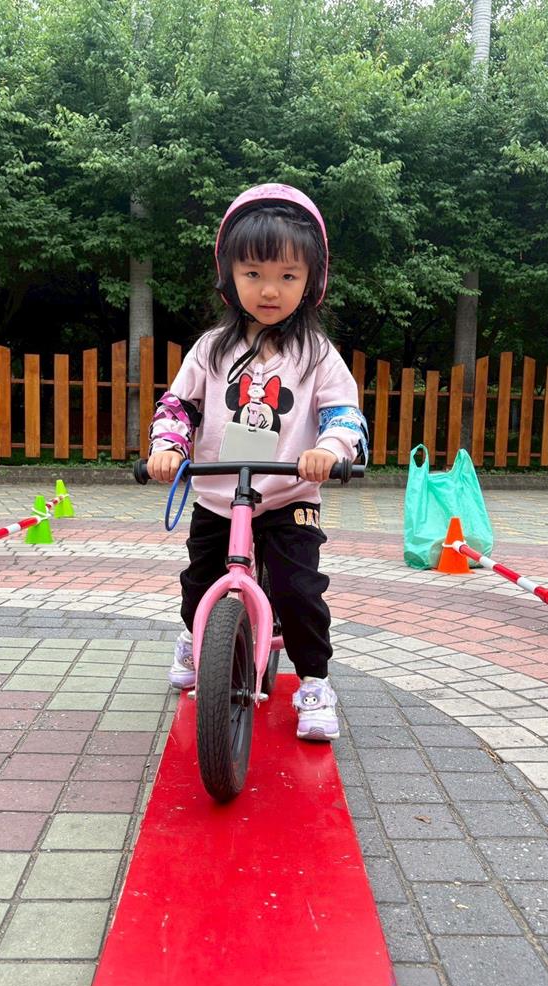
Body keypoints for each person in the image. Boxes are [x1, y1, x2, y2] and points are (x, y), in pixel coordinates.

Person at [146, 183, 368, 741]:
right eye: (254, 274)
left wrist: (329, 450)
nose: (270, 290)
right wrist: (168, 447)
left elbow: (344, 415)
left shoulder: (316, 355)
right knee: (199, 580)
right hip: (219, 495)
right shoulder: (211, 349)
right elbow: (179, 406)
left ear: (311, 281)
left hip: (289, 496)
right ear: (229, 276)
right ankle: (195, 637)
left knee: (300, 591)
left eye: (288, 276)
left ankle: (314, 680)